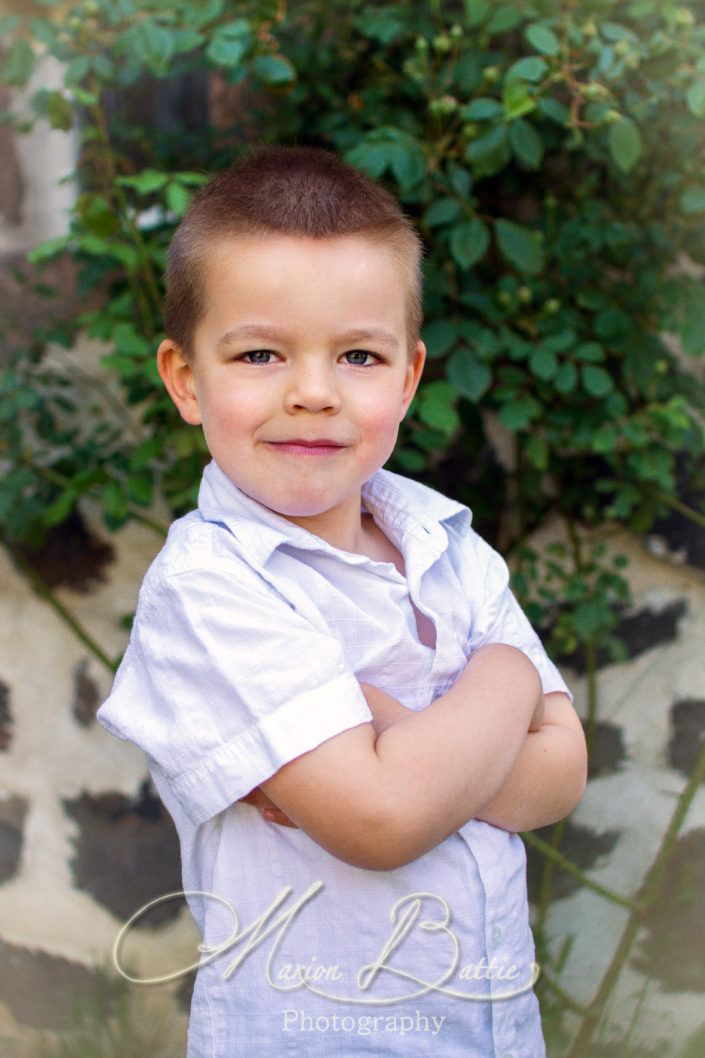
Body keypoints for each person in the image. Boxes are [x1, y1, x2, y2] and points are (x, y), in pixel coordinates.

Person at [97, 145, 587, 1058]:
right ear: (186, 379)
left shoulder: (447, 546)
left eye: (358, 354)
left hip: (489, 1034)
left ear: (405, 378)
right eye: (260, 353)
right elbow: (382, 821)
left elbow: (557, 779)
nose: (313, 393)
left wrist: (400, 733)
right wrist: (507, 685)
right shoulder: (211, 586)